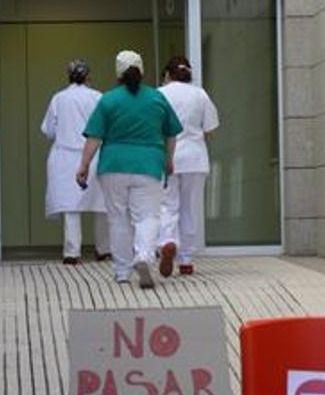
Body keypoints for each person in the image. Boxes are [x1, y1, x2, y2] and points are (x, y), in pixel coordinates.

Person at [76, 50, 183, 289]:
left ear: (118, 74)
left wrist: (83, 165)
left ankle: (122, 272)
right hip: (149, 164)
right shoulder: (157, 98)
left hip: (113, 165)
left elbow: (94, 137)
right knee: (148, 216)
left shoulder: (108, 100)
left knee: (118, 219)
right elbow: (172, 133)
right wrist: (169, 159)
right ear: (142, 71)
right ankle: (144, 255)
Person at [41, 59, 110, 265]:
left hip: (64, 157)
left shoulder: (59, 98)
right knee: (101, 204)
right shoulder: (98, 97)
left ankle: (72, 252)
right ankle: (103, 249)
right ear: (88, 77)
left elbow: (48, 130)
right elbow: (106, 126)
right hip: (94, 154)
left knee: (71, 206)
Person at [156, 56, 219, 276]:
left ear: (167, 74)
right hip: (195, 157)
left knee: (167, 205)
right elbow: (211, 128)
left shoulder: (160, 94)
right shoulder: (200, 94)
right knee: (189, 208)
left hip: (168, 156)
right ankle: (186, 259)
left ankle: (167, 241)